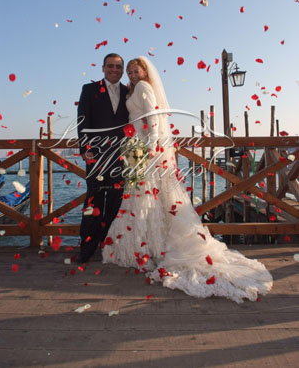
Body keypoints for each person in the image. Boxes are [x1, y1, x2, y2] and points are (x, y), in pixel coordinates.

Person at [102, 56, 273, 303]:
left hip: (144, 150)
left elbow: (154, 118)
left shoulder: (143, 87)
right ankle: (149, 245)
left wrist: (149, 148)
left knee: (143, 197)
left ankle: (148, 246)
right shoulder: (136, 88)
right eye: (129, 71)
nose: (132, 74)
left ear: (145, 70)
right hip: (136, 147)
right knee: (143, 198)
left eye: (135, 70)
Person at [77, 53, 129, 263]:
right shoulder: (89, 90)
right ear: (103, 68)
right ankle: (87, 248)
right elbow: (82, 119)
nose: (114, 70)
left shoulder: (129, 92)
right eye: (110, 66)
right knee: (93, 200)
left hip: (121, 157)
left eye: (118, 67)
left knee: (116, 204)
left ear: (122, 70)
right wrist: (84, 147)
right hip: (96, 156)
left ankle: (109, 246)